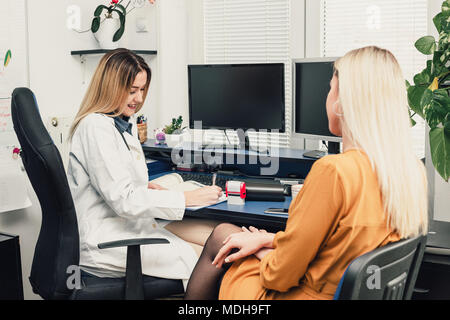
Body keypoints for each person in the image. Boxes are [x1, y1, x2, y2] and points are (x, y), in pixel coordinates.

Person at [184, 46, 429, 300]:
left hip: (299, 295)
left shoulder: (334, 171)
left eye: (330, 88)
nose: (328, 97)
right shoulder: (411, 172)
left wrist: (261, 253)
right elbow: (338, 247)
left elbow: (278, 277)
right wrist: (269, 240)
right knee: (234, 236)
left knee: (223, 236)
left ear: (343, 103)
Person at [67, 48, 222, 289]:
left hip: (131, 227)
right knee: (214, 259)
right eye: (131, 91)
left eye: (142, 90)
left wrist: (144, 187)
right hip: (111, 242)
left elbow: (114, 182)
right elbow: (124, 200)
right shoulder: (95, 127)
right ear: (110, 88)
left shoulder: (115, 124)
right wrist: (185, 198)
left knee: (221, 235)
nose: (138, 99)